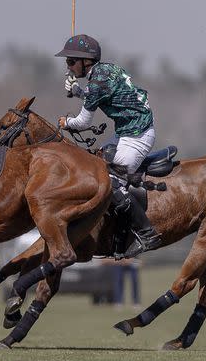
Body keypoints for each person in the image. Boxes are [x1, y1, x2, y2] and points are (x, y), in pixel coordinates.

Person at [56, 34, 160, 258]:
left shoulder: (98, 82)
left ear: (87, 61)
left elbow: (83, 122)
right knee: (94, 168)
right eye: (67, 62)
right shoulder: (105, 71)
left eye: (71, 62)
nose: (69, 66)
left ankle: (147, 233)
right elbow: (102, 98)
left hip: (137, 135)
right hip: (125, 131)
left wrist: (65, 123)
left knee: (112, 184)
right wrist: (78, 92)